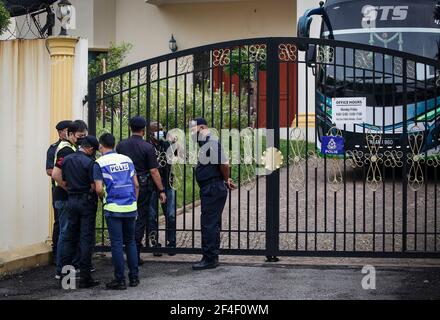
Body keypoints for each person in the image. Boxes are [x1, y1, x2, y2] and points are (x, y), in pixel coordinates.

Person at [116, 116, 166, 265]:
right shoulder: (147, 147)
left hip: (125, 185)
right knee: (140, 219)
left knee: (124, 217)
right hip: (143, 187)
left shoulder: (121, 145)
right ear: (144, 130)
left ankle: (123, 251)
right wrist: (161, 189)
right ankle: (135, 255)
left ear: (131, 128)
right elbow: (154, 171)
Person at [94, 133, 140, 290]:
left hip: (113, 207)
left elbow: (99, 188)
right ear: (114, 144)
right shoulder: (127, 160)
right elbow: (136, 184)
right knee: (131, 242)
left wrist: (103, 199)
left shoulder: (99, 162)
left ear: (100, 146)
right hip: (130, 206)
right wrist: (134, 201)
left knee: (117, 243)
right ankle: (134, 277)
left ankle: (119, 280)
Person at [190, 118, 236, 270]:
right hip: (211, 187)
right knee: (211, 223)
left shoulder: (211, 142)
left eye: (193, 129)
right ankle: (211, 256)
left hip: (213, 187)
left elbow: (224, 163)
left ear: (202, 127)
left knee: (209, 223)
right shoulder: (206, 143)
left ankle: (210, 258)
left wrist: (226, 178)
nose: (191, 133)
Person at [59, 136, 100, 289]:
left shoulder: (67, 160)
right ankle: (85, 278)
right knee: (85, 239)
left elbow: (64, 181)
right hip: (86, 201)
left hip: (71, 200)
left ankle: (66, 279)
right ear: (89, 148)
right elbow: (94, 186)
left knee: (70, 238)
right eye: (93, 150)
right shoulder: (89, 163)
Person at [51, 120, 88, 279]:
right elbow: (55, 175)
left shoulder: (71, 147)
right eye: (80, 136)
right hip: (64, 197)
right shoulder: (65, 150)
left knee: (69, 233)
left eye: (85, 136)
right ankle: (62, 271)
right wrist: (69, 188)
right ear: (70, 134)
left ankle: (70, 268)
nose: (82, 139)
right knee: (66, 234)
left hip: (67, 197)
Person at [148, 121, 176, 256]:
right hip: (151, 186)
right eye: (158, 129)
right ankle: (155, 244)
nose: (161, 131)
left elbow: (181, 153)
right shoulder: (147, 146)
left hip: (168, 183)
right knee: (152, 216)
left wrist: (174, 141)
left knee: (170, 215)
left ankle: (171, 243)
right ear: (150, 132)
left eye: (162, 129)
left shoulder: (165, 144)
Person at [46, 120, 72, 264]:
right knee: (59, 223)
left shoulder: (73, 146)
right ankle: (57, 255)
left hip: (71, 191)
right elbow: (50, 170)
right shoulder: (54, 148)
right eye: (68, 130)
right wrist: (66, 182)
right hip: (60, 189)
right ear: (61, 132)